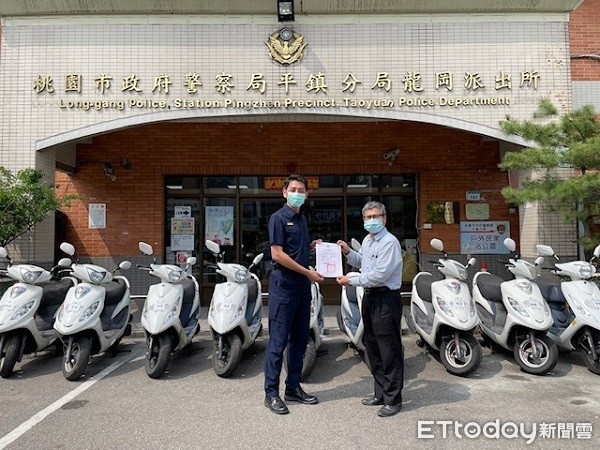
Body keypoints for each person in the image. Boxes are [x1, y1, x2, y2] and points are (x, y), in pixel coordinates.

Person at [336, 201, 404, 417]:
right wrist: (347, 252)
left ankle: (393, 399)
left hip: (386, 298)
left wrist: (351, 280)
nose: (371, 220)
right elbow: (361, 262)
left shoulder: (389, 243)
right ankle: (380, 393)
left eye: (376, 216)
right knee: (372, 347)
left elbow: (380, 275)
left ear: (384, 218)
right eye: (367, 217)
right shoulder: (368, 240)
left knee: (389, 348)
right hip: (370, 298)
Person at [264, 174, 324, 415]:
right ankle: (271, 393)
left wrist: (311, 247)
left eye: (302, 190)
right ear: (285, 192)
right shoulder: (278, 218)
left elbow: (294, 250)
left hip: (302, 289)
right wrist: (308, 272)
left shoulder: (302, 219)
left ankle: (293, 387)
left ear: (307, 195)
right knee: (278, 341)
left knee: (299, 340)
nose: (298, 192)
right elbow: (277, 254)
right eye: (294, 189)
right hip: (284, 287)